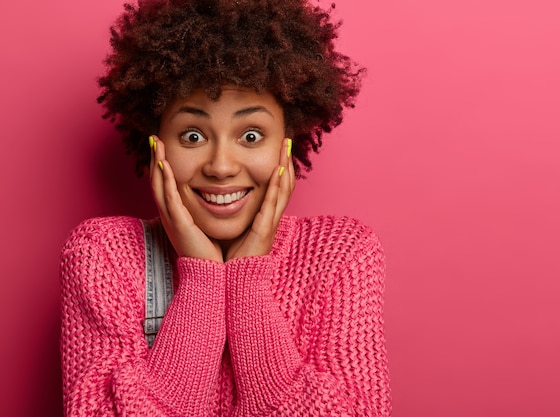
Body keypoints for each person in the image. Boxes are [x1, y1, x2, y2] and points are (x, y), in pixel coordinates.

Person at [59, 0, 391, 415]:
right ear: (155, 140)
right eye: (193, 136)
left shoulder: (340, 255)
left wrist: (248, 283)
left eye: (251, 136)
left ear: (286, 143)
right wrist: (201, 280)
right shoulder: (103, 256)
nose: (220, 166)